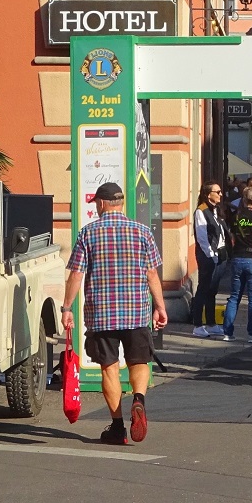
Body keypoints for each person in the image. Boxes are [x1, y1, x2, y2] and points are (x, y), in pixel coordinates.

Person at [62, 182, 167, 445]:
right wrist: (160, 306)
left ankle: (118, 427)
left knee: (109, 369)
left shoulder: (88, 233)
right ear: (121, 203)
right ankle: (139, 400)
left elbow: (76, 274)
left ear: (100, 204)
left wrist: (66, 308)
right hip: (135, 313)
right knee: (139, 363)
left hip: (101, 315)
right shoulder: (143, 232)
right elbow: (152, 273)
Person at [222, 186, 252, 343]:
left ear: (244, 200)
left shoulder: (236, 216)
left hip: (238, 258)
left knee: (234, 297)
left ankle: (227, 332)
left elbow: (231, 235)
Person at [190, 182, 227, 337]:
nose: (220, 194)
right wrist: (210, 254)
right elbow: (202, 236)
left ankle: (211, 323)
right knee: (203, 289)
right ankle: (197, 325)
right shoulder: (201, 211)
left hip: (220, 254)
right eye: (217, 191)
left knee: (212, 290)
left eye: (220, 191)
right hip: (209, 255)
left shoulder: (216, 210)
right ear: (208, 194)